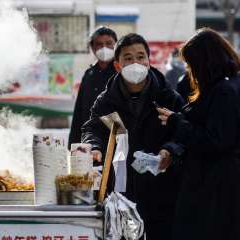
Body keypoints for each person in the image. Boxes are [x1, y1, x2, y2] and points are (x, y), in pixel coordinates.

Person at [81, 33, 185, 240]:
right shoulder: (106, 101)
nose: (135, 63)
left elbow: (184, 135)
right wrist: (93, 146)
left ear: (148, 60)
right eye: (128, 58)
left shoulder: (168, 97)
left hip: (162, 193)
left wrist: (169, 152)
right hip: (121, 194)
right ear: (117, 65)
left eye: (140, 57)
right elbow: (92, 129)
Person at [157, 28, 240, 240]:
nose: (189, 70)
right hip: (214, 186)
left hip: (215, 190)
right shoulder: (226, 85)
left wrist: (177, 122)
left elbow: (216, 140)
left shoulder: (224, 91)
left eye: (191, 64)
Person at [68, 26, 117, 149]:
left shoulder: (120, 73)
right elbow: (79, 110)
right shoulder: (89, 74)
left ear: (116, 45)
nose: (104, 48)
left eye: (109, 43)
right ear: (92, 47)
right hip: (89, 139)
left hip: (114, 140)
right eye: (99, 44)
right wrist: (73, 142)